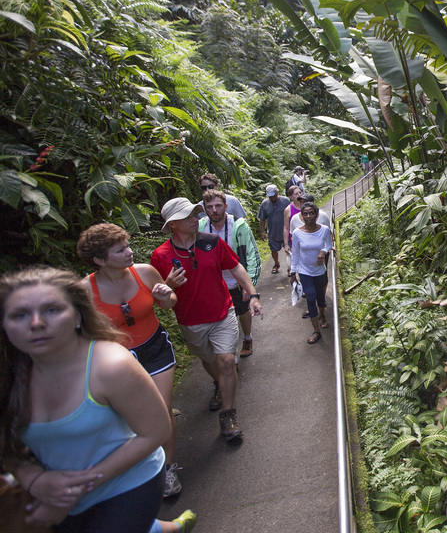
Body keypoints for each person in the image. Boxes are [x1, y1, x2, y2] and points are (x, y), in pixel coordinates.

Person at [0, 267, 197, 533]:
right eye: (20, 315)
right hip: (56, 492)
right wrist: (35, 481)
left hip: (128, 482)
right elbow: (7, 444)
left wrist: (78, 487)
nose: (36, 323)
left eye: (52, 310)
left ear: (78, 316)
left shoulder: (111, 365)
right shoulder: (9, 377)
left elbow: (157, 431)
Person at [76, 223, 181, 499]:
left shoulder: (144, 272)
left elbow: (170, 303)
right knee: (131, 421)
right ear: (99, 259)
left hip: (154, 347)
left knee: (162, 407)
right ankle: (140, 471)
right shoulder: (84, 291)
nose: (130, 252)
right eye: (121, 250)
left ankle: (167, 469)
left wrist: (165, 295)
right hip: (119, 361)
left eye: (128, 246)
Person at [150, 197, 263, 441]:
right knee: (210, 361)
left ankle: (228, 415)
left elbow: (236, 267)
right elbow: (163, 303)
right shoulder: (160, 256)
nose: (195, 219)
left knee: (225, 361)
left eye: (194, 214)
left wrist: (252, 294)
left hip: (223, 313)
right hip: (191, 322)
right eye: (188, 216)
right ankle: (220, 384)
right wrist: (167, 286)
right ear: (172, 224)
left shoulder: (212, 242)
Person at [199, 190, 261, 358]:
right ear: (204, 208)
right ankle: (228, 355)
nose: (214, 210)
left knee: (243, 311)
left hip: (235, 280)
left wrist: (248, 284)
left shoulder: (239, 226)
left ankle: (247, 337)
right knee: (224, 318)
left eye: (218, 206)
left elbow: (251, 254)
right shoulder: (200, 227)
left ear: (226, 206)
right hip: (214, 284)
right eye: (209, 207)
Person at [290, 203, 332, 345]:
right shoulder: (297, 233)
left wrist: (323, 251)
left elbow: (328, 244)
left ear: (317, 215)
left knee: (320, 296)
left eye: (311, 213)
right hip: (304, 271)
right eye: (305, 214)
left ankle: (322, 315)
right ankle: (316, 330)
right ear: (301, 216)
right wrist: (293, 272)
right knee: (310, 296)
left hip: (319, 270)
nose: (308, 216)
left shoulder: (324, 230)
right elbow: (295, 253)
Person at [258, 184, 290, 274]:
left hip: (285, 231)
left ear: (277, 192)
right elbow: (262, 219)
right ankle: (276, 263)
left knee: (288, 249)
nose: (272, 198)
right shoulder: (264, 204)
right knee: (273, 249)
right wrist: (262, 232)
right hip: (272, 232)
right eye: (270, 196)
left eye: (273, 195)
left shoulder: (285, 201)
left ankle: (289, 267)